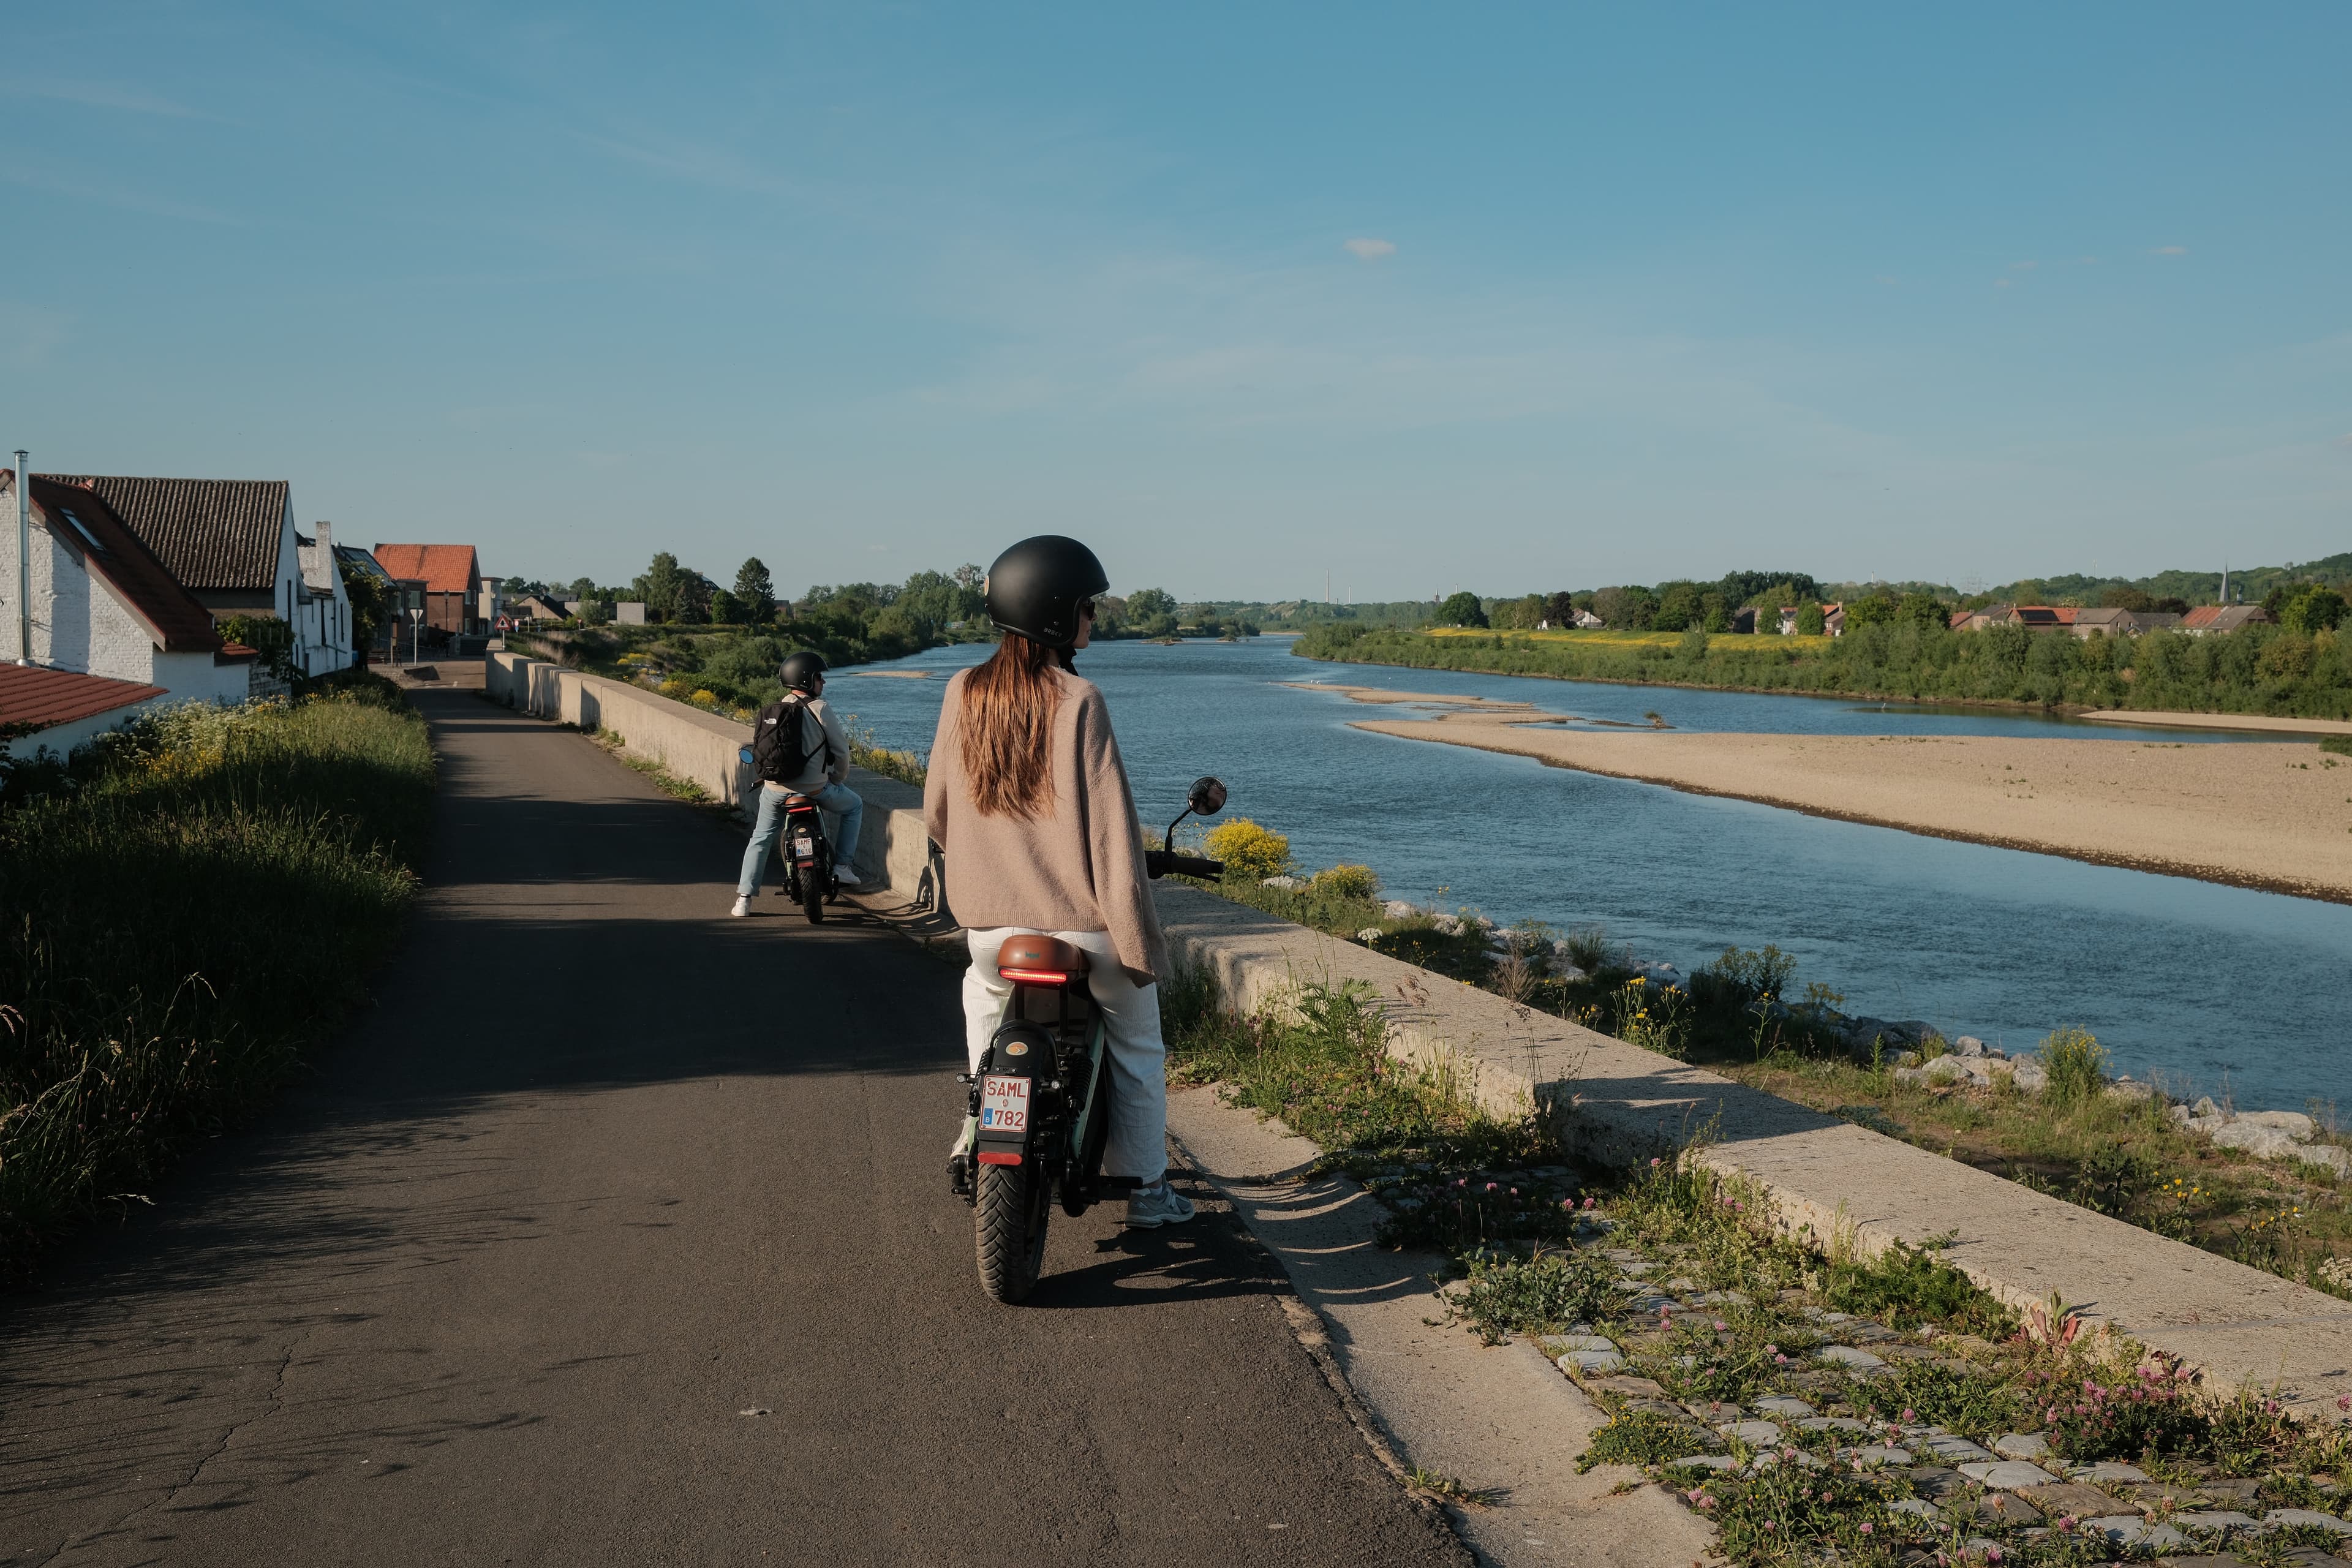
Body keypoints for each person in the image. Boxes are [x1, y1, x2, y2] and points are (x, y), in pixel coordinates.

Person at [924, 536, 1193, 1228]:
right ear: (1054, 613)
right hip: (1079, 928)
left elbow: (938, 810)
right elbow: (1109, 834)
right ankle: (1149, 1194)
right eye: (1088, 607)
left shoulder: (963, 690)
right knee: (1137, 1043)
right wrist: (1138, 943)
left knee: (984, 998)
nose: (1094, 618)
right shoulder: (1080, 699)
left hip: (988, 927)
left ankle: (974, 1125)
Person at [732, 650, 864, 917]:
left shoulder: (774, 711)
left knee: (760, 838)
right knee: (854, 807)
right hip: (816, 788)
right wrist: (837, 779)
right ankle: (842, 868)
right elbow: (841, 752)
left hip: (776, 790)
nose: (823, 682)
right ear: (806, 680)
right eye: (819, 677)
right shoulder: (821, 709)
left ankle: (744, 900)